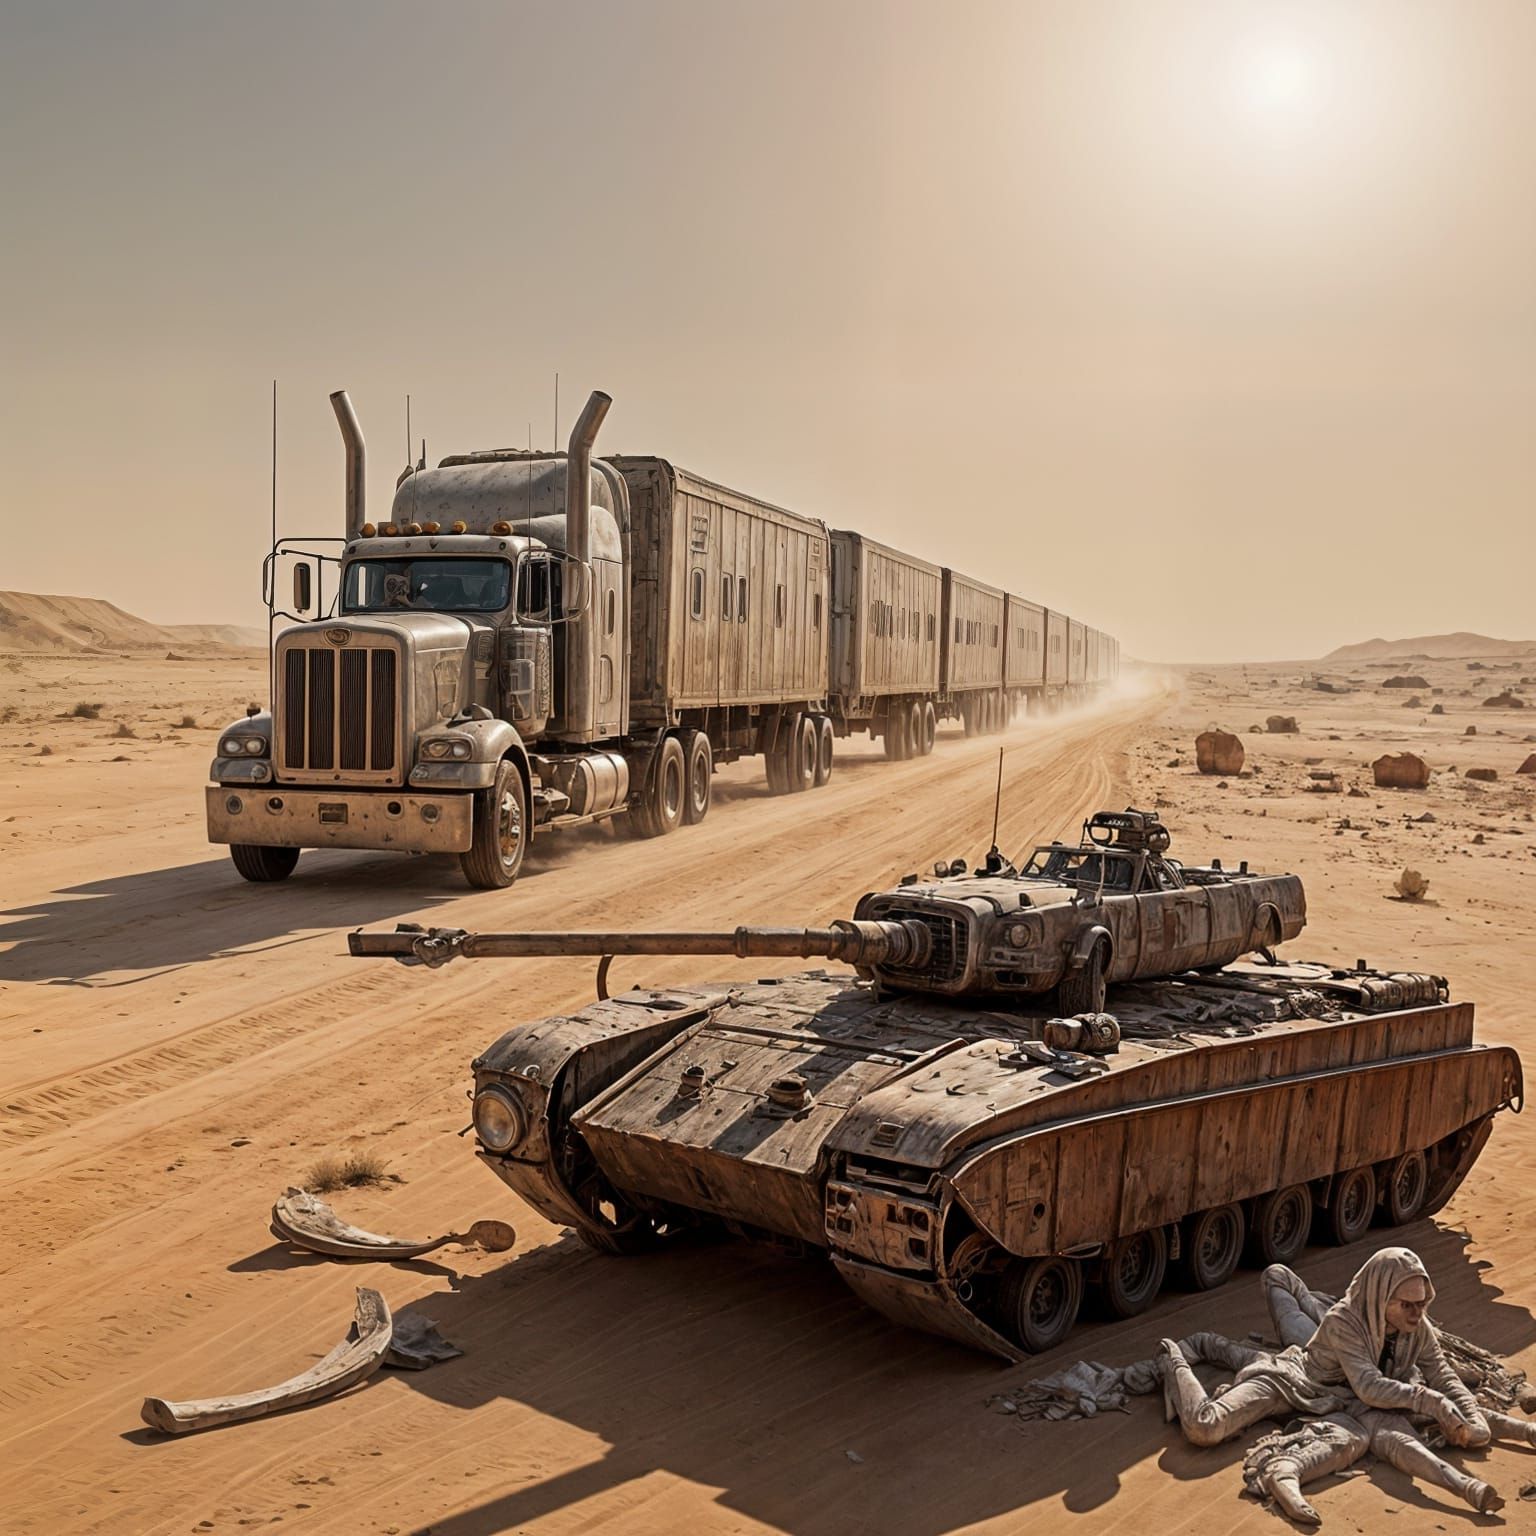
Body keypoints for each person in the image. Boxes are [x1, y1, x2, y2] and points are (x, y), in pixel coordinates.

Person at [1159, 1248, 1489, 1449]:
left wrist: (1472, 1419)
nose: (1419, 1314)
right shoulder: (1344, 1324)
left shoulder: (1417, 1326)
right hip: (1295, 1383)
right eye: (1408, 1305)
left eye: (1423, 1303)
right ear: (1378, 1297)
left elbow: (1441, 1373)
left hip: (1333, 1379)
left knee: (1296, 1331)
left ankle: (1309, 1306)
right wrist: (1430, 1401)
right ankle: (1173, 1358)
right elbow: (1370, 1387)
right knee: (1205, 1426)